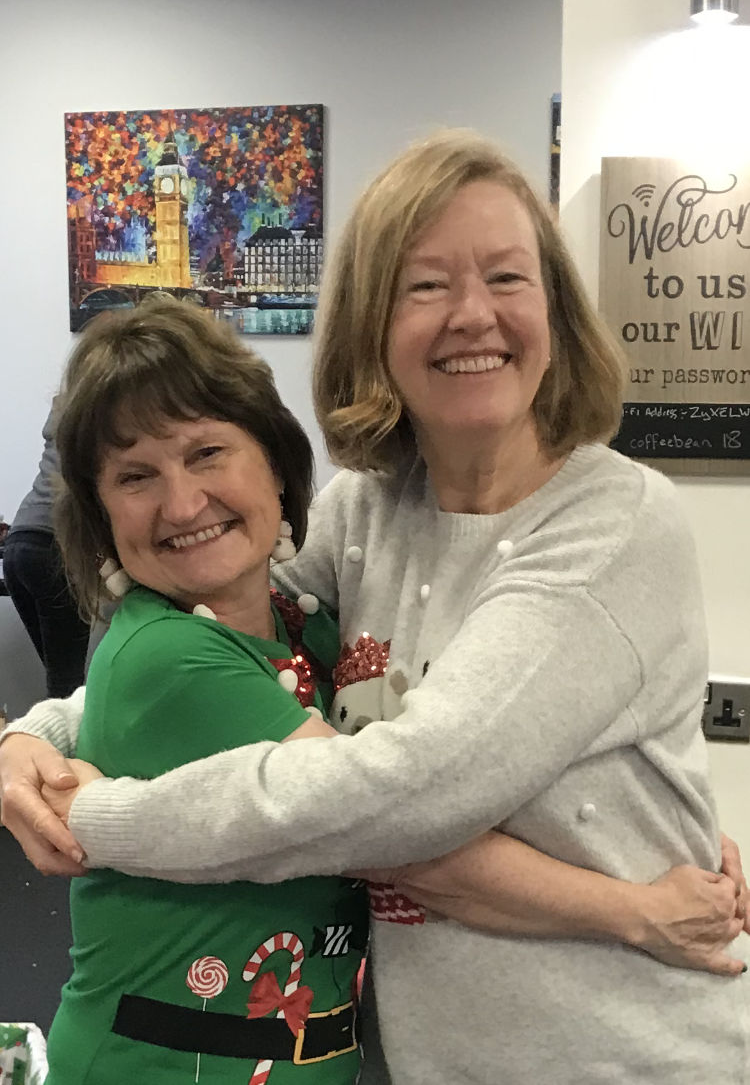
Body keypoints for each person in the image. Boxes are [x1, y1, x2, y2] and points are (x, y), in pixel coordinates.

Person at [2, 132, 749, 1084]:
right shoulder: (370, 510)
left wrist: (103, 819)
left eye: (508, 278)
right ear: (370, 324)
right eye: (425, 285)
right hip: (419, 1049)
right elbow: (223, 643)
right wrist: (37, 735)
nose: (472, 315)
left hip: (607, 1047)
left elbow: (403, 801)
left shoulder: (613, 524)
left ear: (555, 308)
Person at [22, 296, 369, 1083]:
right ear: (101, 514)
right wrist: (628, 910)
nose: (182, 505)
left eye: (208, 453)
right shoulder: (167, 657)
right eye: (135, 476)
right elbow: (391, 827)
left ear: (275, 464)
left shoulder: (300, 626)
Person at [3, 402, 90, 697]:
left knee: (61, 675)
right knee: (68, 682)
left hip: (18, 543)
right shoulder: (98, 414)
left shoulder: (63, 410)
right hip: (51, 548)